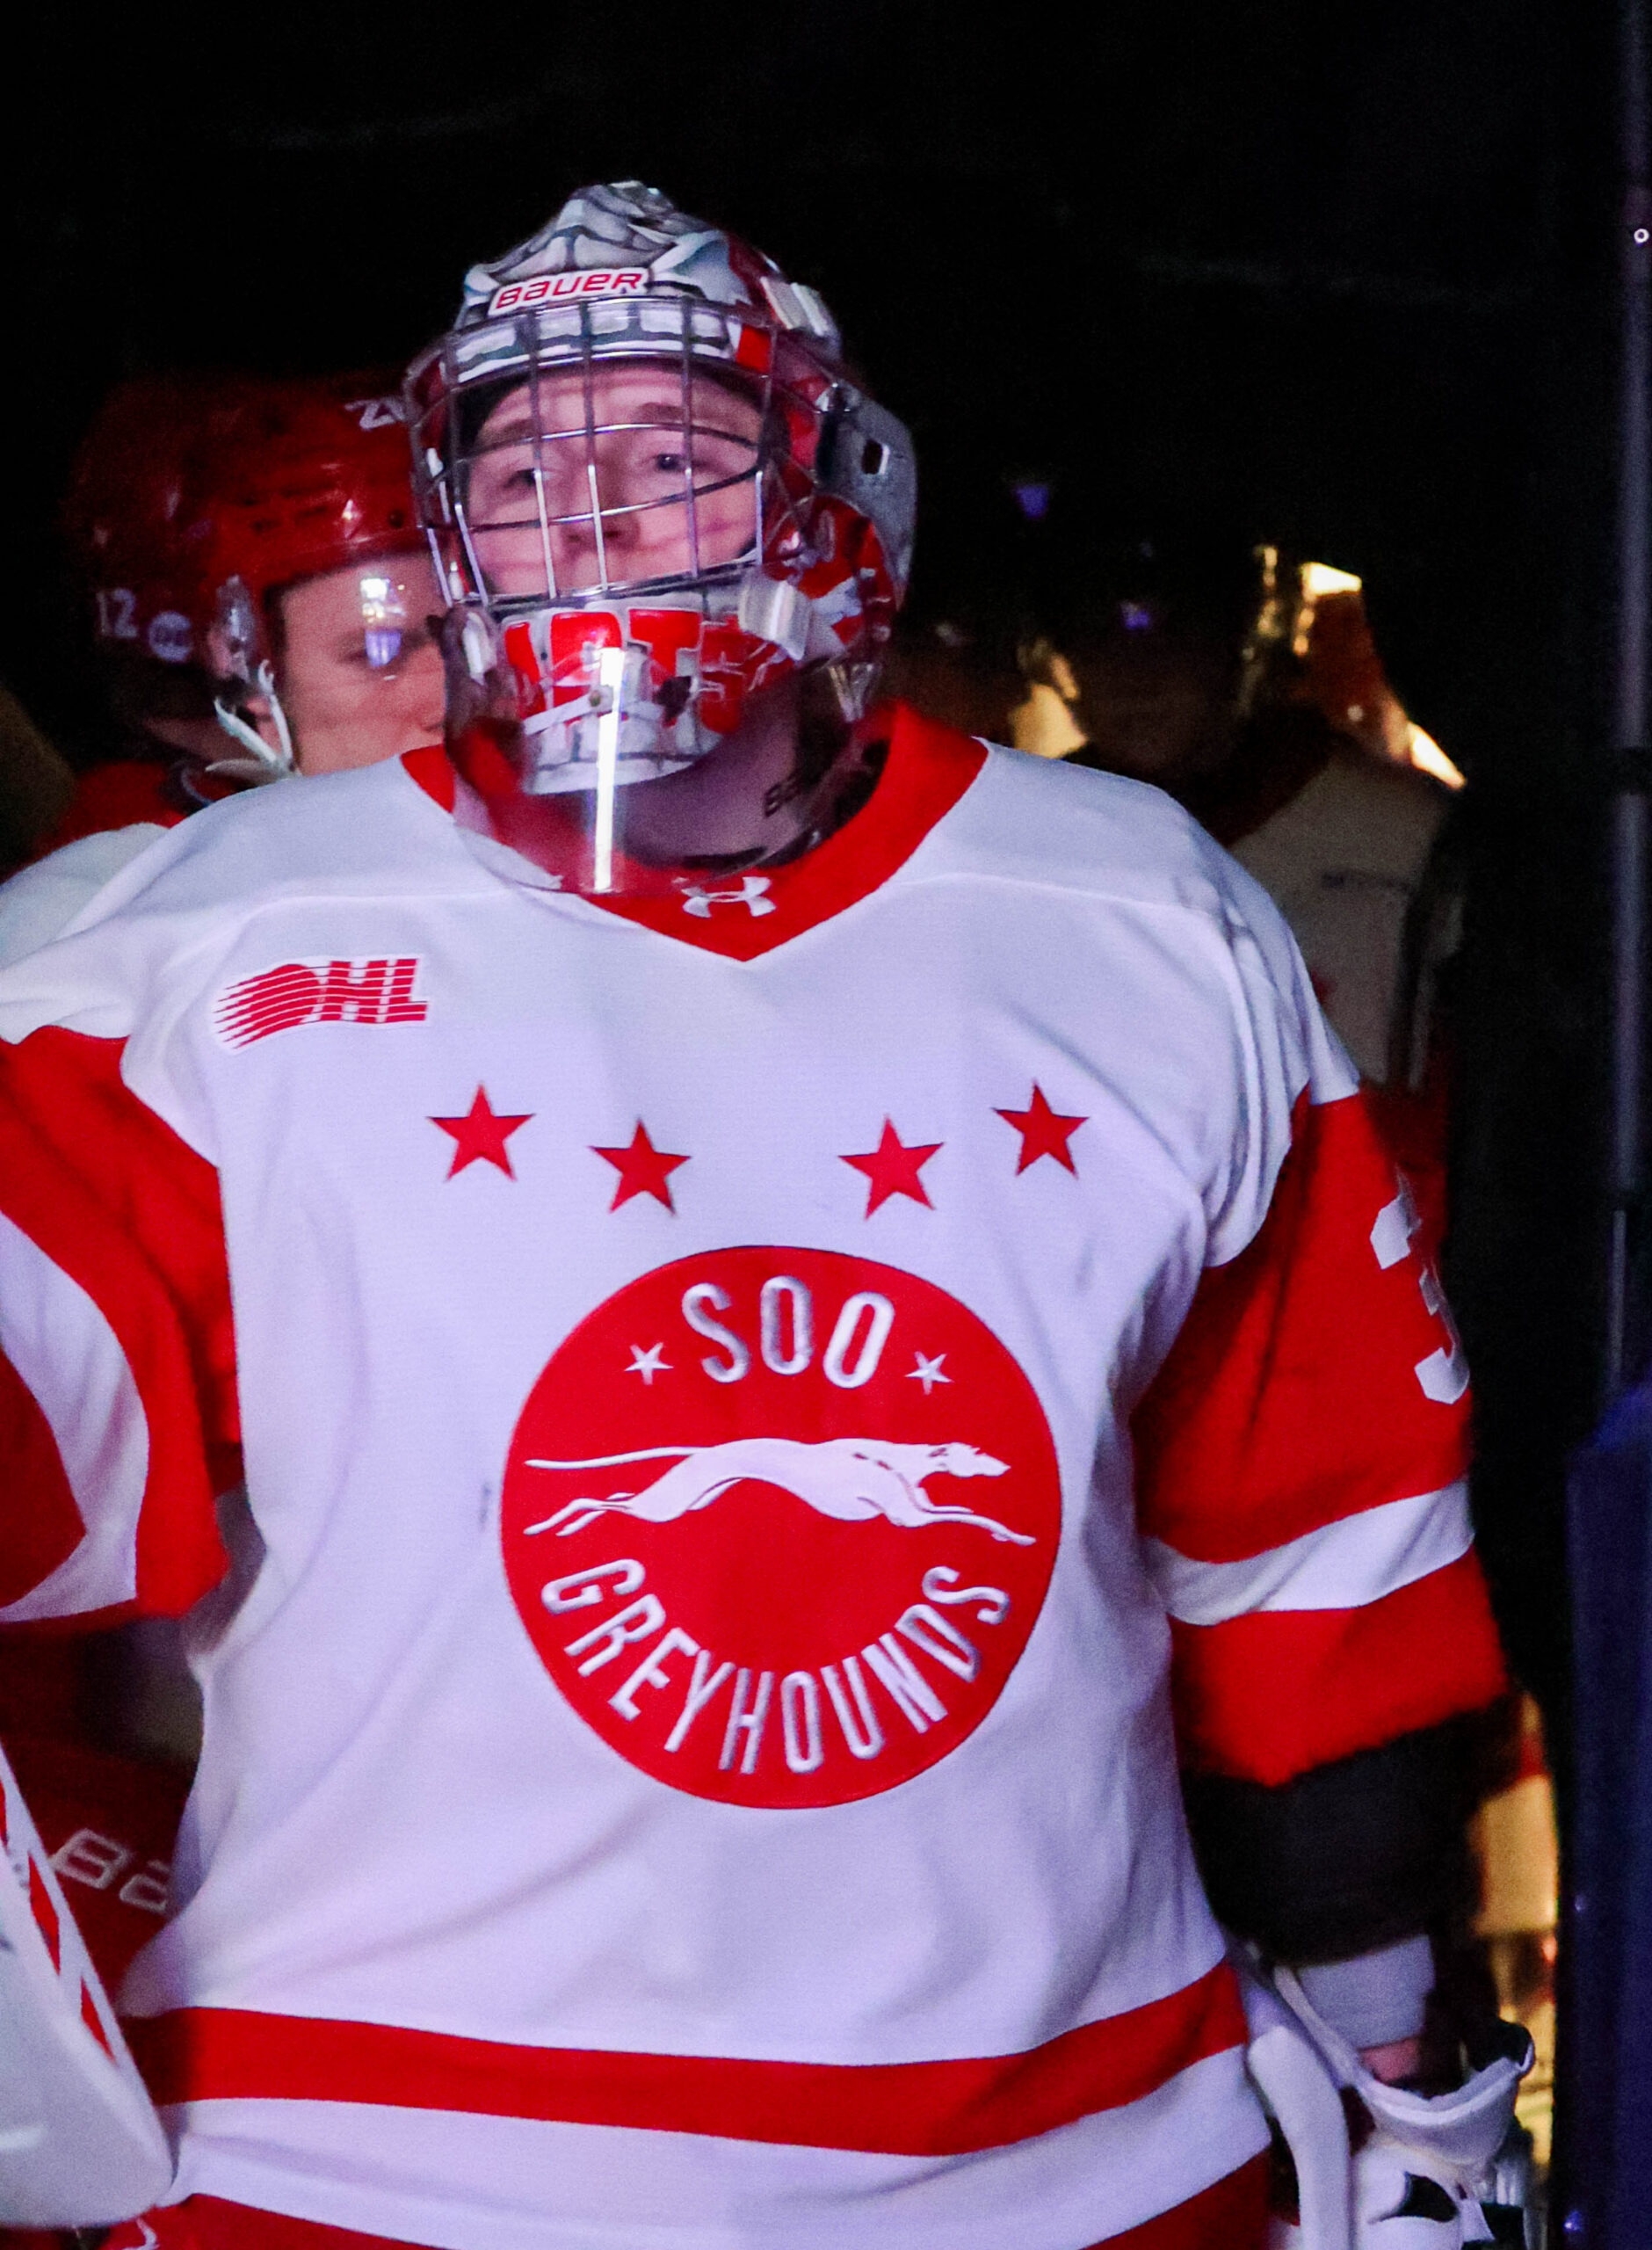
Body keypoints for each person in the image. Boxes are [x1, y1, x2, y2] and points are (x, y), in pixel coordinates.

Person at [0, 181, 1517, 2248]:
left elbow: (1314, 1556)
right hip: (373, 2152)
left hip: (1070, 2153)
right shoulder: (200, 947)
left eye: (669, 454)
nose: (594, 521)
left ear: (836, 496)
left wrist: (1401, 2065)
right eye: (524, 473)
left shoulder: (1135, 912)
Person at [0, 373, 445, 964]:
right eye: (377, 652)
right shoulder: (96, 918)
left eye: (465, 633)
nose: (451, 693)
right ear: (243, 671)